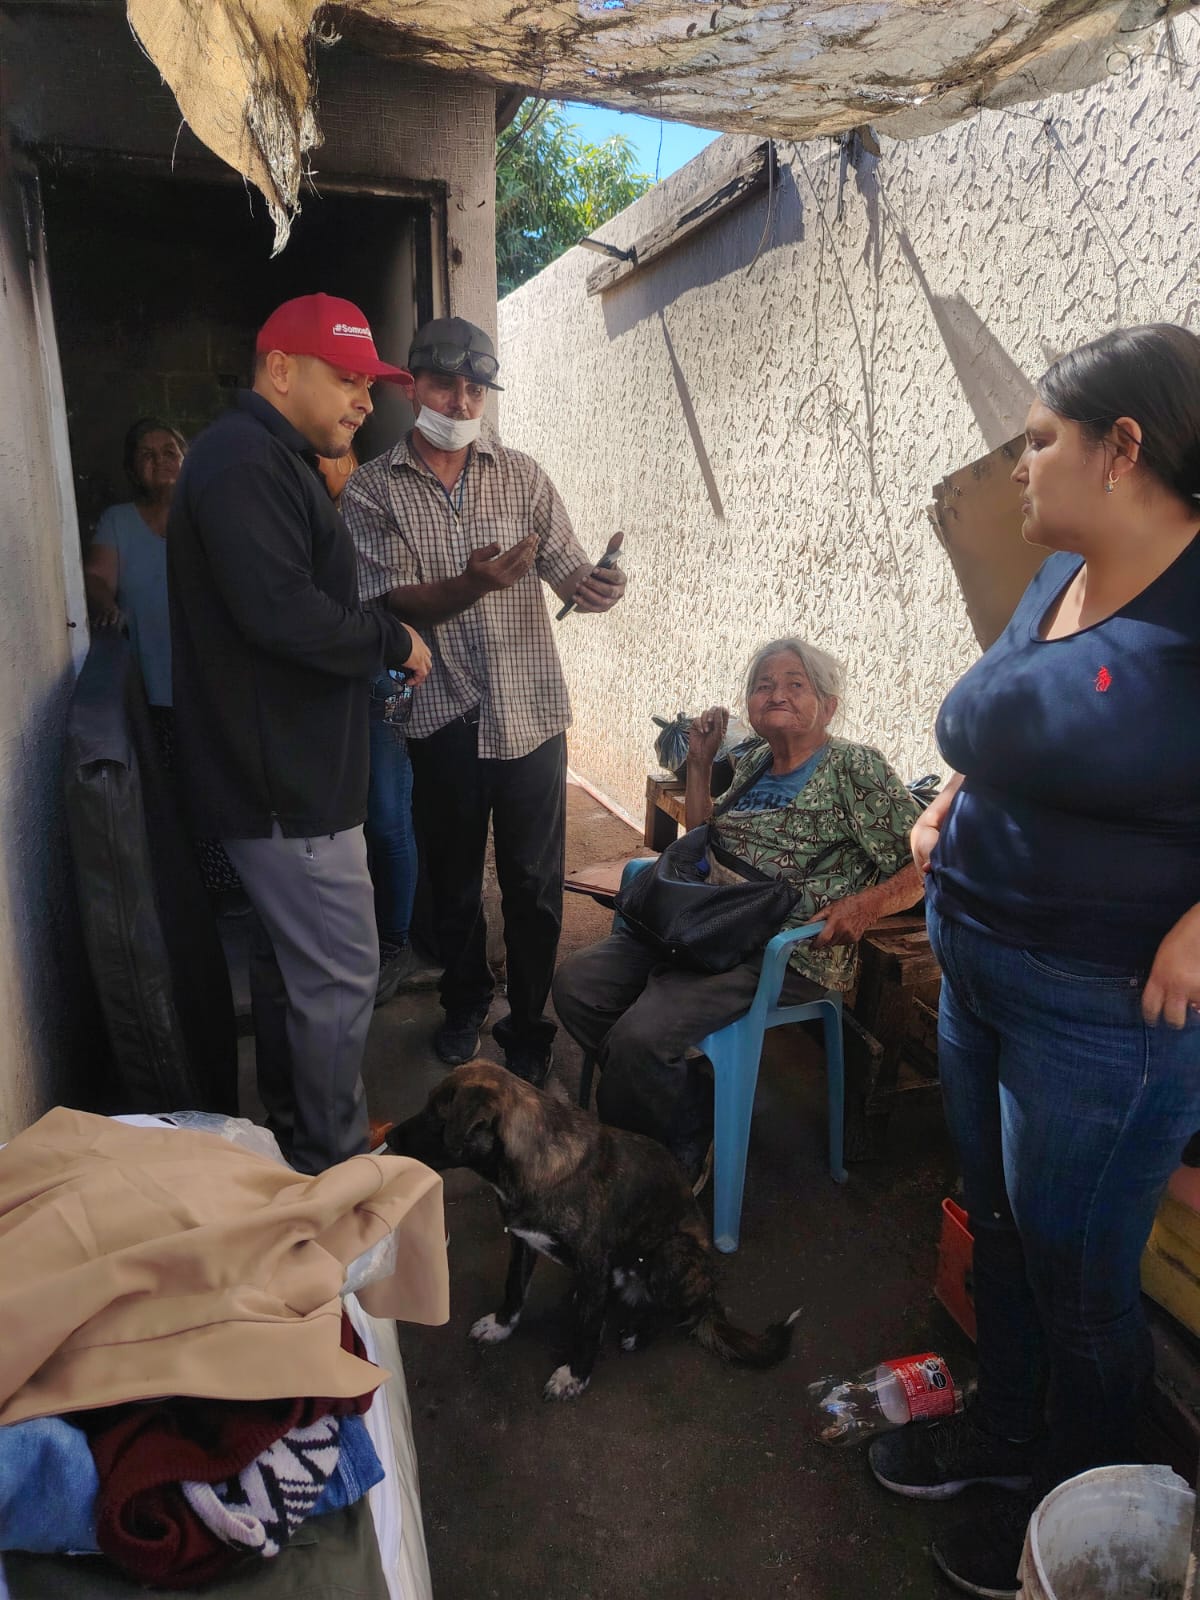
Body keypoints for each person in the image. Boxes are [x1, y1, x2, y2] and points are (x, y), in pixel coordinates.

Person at [866, 324, 1200, 1599]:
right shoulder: (1057, 576)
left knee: (1079, 1279)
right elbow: (1023, 708)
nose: (1018, 465)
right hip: (979, 956)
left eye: (1041, 439)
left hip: (1105, 1010)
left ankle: (1084, 1517)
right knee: (997, 1227)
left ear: (1124, 449)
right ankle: (1006, 1436)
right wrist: (955, 791)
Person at [167, 292, 431, 1175]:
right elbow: (282, 614)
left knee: (293, 974)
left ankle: (295, 1133)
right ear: (279, 369)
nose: (364, 401)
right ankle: (332, 1156)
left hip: (289, 777)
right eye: (346, 378)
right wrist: (391, 638)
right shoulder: (244, 461)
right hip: (288, 790)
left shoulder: (267, 457)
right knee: (341, 976)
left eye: (369, 385)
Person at [342, 316, 626, 1085]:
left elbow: (569, 572)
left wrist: (596, 588)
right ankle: (466, 1002)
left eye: (476, 387)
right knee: (455, 881)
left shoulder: (525, 475)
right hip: (441, 717)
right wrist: (472, 583)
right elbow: (391, 603)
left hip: (532, 711)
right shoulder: (371, 491)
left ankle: (528, 1023)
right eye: (444, 383)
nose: (461, 399)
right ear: (411, 385)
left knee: (534, 886)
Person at [552, 638, 924, 1180]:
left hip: (775, 951)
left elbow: (922, 864)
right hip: (703, 928)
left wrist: (866, 905)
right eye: (763, 685)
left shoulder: (854, 768)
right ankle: (684, 1099)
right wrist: (700, 766)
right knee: (577, 985)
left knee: (640, 1038)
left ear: (828, 704)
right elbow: (705, 839)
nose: (776, 693)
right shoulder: (752, 760)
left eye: (796, 684)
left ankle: (672, 1145)